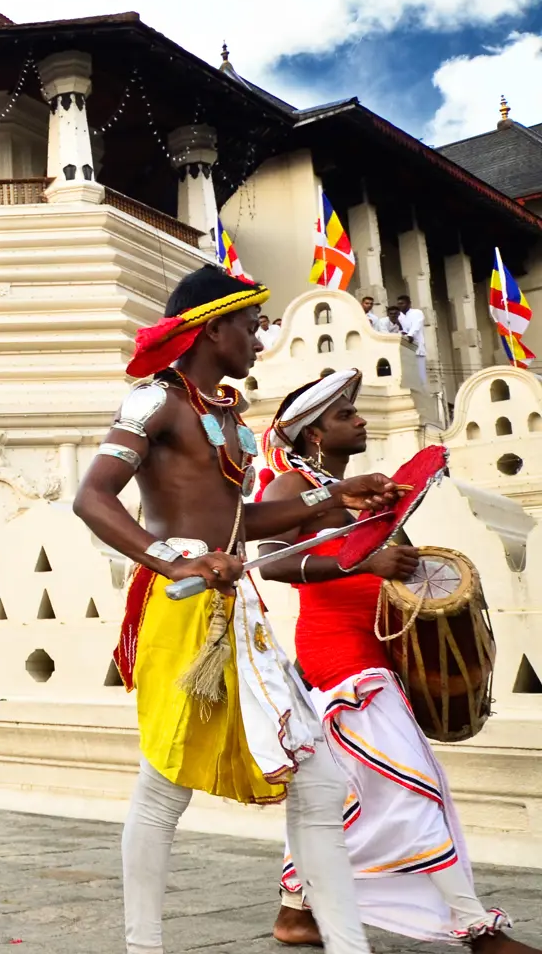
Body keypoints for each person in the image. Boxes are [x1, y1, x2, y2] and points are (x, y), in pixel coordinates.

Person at [74, 264, 408, 954]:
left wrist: (335, 500)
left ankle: (350, 947)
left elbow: (243, 521)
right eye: (252, 325)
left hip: (233, 605)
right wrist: (174, 559)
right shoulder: (154, 403)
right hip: (181, 605)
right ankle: (143, 947)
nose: (261, 338)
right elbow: (94, 497)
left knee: (316, 782)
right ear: (213, 327)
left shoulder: (222, 413)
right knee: (165, 785)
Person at [257, 372, 536, 954]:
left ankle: (296, 911)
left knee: (336, 790)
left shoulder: (361, 488)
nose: (359, 420)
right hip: (340, 654)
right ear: (313, 435)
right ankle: (475, 930)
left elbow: (396, 568)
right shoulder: (291, 486)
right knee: (414, 788)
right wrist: (363, 565)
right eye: (345, 415)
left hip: (380, 645)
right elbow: (273, 565)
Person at [396, 295, 429, 382]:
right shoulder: (400, 317)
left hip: (418, 347)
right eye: (399, 304)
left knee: (421, 375)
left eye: (402, 303)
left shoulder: (417, 312)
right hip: (406, 348)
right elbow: (402, 330)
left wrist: (410, 335)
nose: (400, 306)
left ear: (409, 304)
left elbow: (416, 325)